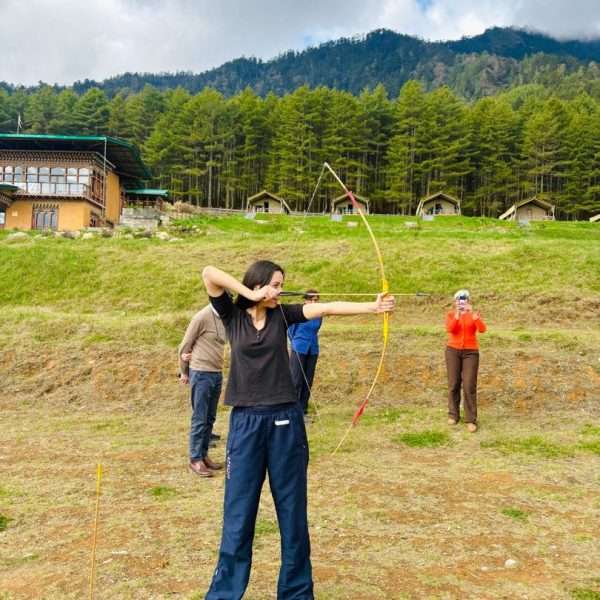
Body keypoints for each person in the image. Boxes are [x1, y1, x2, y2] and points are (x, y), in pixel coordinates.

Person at [202, 260, 395, 600]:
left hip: (284, 423)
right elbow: (209, 273)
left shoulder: (284, 314)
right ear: (259, 284)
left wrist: (373, 306)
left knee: (292, 512)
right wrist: (250, 294)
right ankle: (224, 593)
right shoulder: (231, 317)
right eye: (274, 285)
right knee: (238, 512)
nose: (279, 291)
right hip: (245, 424)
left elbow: (329, 307)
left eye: (281, 285)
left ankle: (296, 592)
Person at [179, 304, 226, 478]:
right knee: (200, 417)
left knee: (210, 417)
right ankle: (195, 459)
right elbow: (185, 345)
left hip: (216, 373)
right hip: (200, 373)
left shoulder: (223, 317)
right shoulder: (201, 317)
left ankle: (204, 455)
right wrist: (184, 371)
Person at [445, 289, 486, 433]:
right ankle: (453, 414)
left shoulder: (473, 314)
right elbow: (450, 329)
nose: (461, 303)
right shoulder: (451, 314)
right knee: (454, 383)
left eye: (464, 300)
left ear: (468, 301)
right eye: (458, 300)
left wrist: (474, 317)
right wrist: (457, 315)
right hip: (453, 351)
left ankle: (471, 419)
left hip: (471, 352)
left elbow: (482, 329)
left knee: (469, 385)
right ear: (455, 302)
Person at [288, 289, 322, 420]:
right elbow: (290, 330)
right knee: (296, 380)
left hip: (313, 349)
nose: (314, 302)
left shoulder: (319, 314)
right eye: (311, 299)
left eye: (316, 300)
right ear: (305, 300)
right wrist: (296, 343)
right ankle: (293, 412)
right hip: (299, 348)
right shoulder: (299, 312)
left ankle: (303, 410)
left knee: (308, 381)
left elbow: (316, 329)